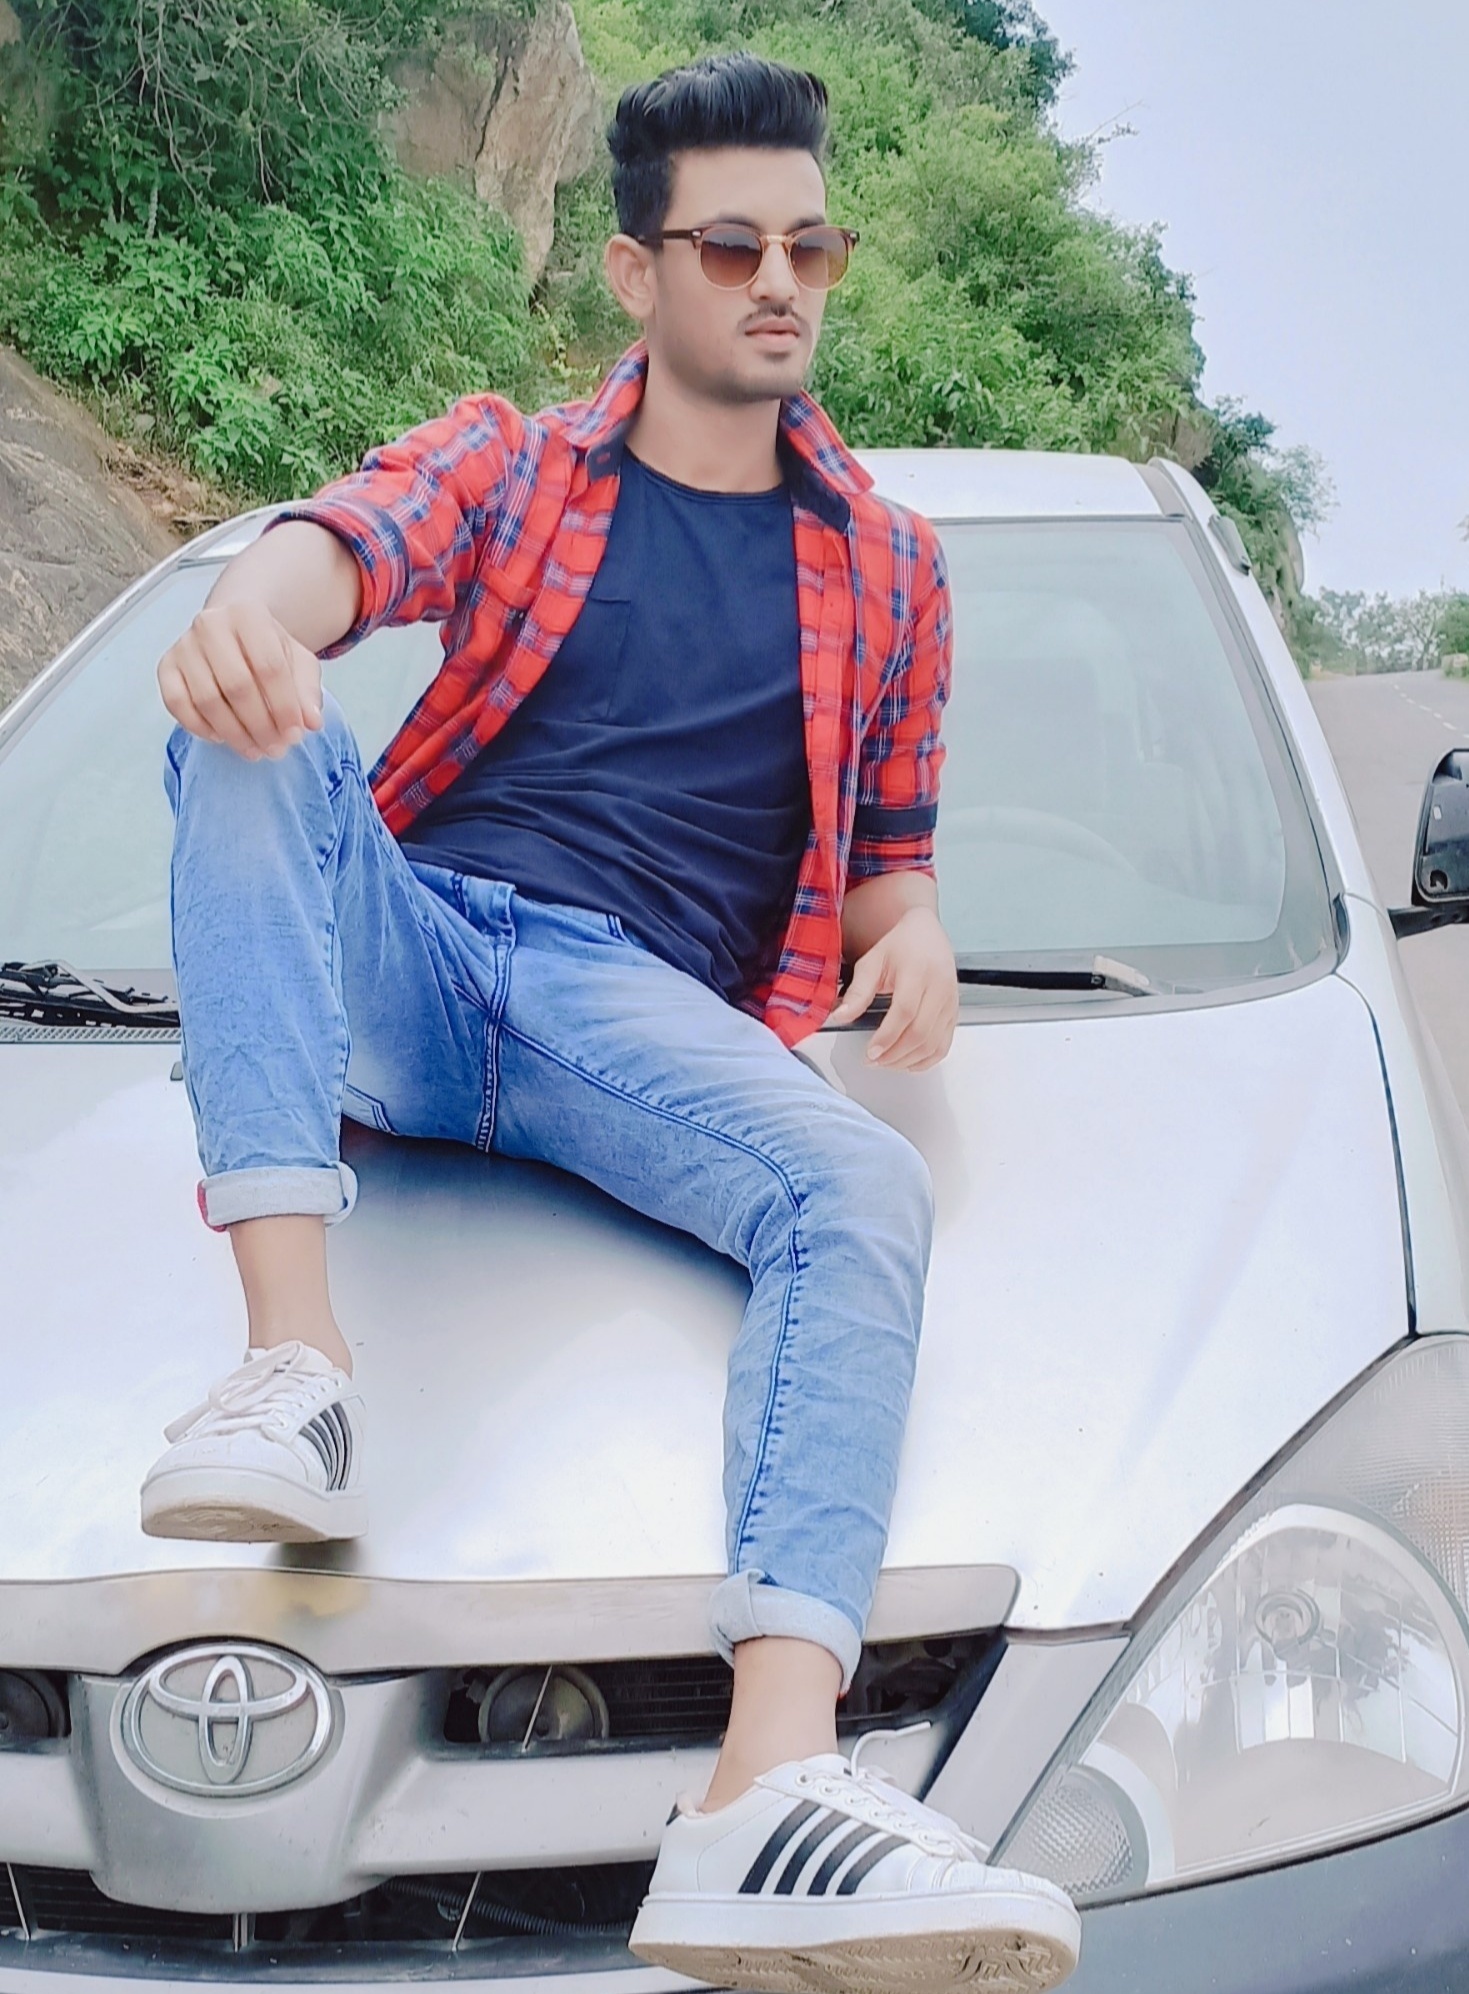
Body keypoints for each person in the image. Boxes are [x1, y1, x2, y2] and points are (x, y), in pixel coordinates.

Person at [142, 50, 1081, 1994]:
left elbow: (889, 858)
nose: (781, 281)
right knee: (248, 737)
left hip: (625, 1016)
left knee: (856, 1192)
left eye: (810, 247)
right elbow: (354, 536)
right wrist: (256, 608)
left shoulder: (891, 569)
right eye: (732, 246)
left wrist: (914, 935)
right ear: (637, 272)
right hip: (417, 947)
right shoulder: (519, 464)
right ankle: (291, 1363)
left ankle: (765, 1787)